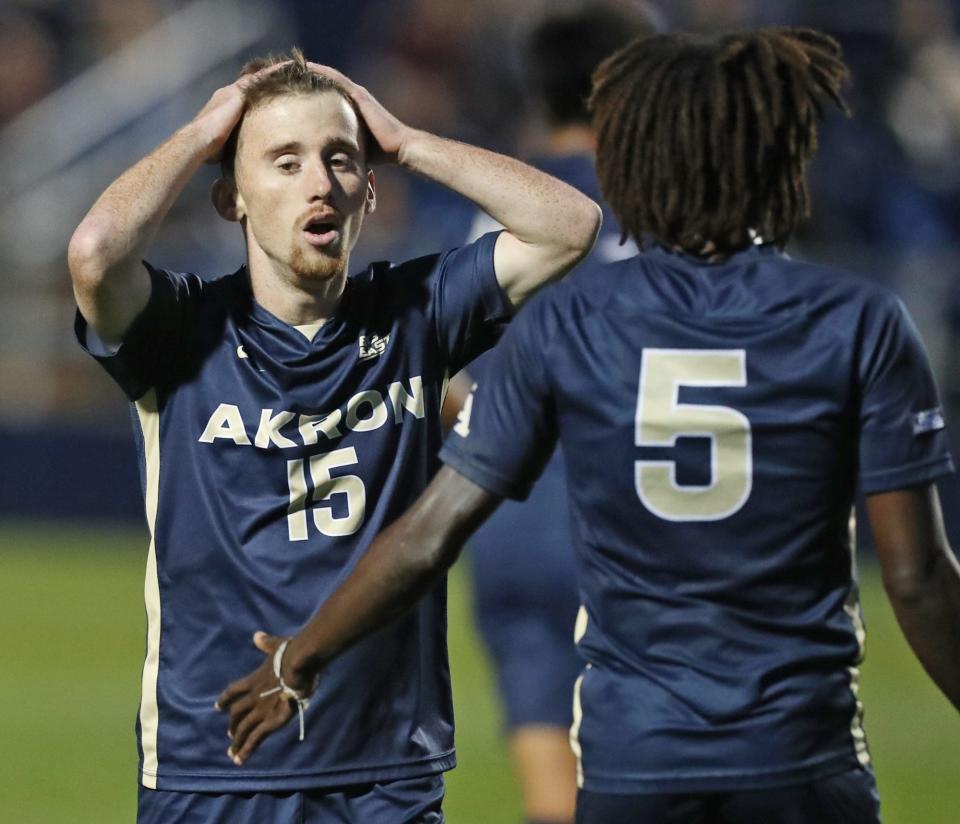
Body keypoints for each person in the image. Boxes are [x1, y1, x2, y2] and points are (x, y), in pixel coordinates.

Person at [218, 29, 960, 824]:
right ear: (782, 156)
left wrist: (300, 657)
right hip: (802, 758)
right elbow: (915, 577)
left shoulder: (571, 317)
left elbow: (429, 534)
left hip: (636, 764)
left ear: (632, 159)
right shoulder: (858, 321)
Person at [68, 49, 600, 823]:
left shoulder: (416, 312)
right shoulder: (181, 332)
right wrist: (199, 131)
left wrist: (409, 140)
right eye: (283, 163)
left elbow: (569, 225)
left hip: (385, 773)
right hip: (214, 769)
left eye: (340, 160)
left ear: (369, 190)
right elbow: (93, 255)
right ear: (233, 200)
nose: (319, 183)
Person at [453, 7, 658, 824]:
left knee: (554, 796)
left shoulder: (492, 206)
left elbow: (448, 381)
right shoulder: (674, 207)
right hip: (642, 527)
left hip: (512, 520)